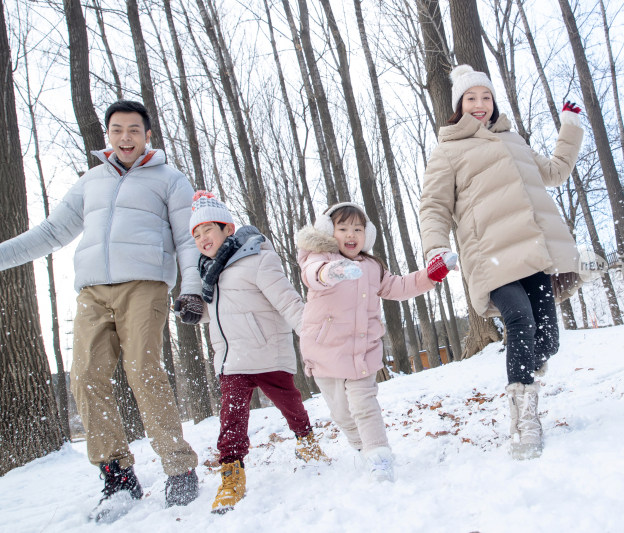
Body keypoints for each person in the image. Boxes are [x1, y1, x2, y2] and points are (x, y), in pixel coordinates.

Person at [0, 101, 202, 518]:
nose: (125, 137)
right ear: (107, 135)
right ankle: (117, 473)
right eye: (117, 130)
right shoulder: (91, 182)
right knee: (86, 377)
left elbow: (188, 238)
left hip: (144, 285)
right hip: (92, 291)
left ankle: (179, 467)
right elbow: (52, 232)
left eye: (133, 129)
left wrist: (193, 289)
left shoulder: (169, 179)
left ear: (148, 135)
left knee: (143, 369)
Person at [418, 65, 585, 460]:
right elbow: (434, 207)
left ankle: (527, 366)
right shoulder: (448, 152)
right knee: (519, 321)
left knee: (548, 340)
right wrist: (435, 249)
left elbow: (556, 173)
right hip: (489, 254)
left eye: (486, 98)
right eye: (471, 98)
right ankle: (524, 419)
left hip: (532, 252)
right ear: (459, 106)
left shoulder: (514, 140)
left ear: (494, 104)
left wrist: (571, 127)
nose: (479, 104)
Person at [186, 191, 328, 514]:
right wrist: (194, 309)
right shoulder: (208, 273)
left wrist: (312, 336)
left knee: (290, 402)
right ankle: (232, 474)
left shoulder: (258, 258)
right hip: (232, 360)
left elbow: (287, 300)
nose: (202, 238)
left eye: (208, 229)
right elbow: (216, 312)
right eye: (196, 234)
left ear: (228, 228)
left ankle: (305, 439)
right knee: (231, 418)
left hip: (266, 352)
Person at [296, 203, 456, 482]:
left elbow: (399, 287)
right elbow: (313, 275)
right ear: (328, 231)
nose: (351, 234)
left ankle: (379, 456)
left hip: (362, 352)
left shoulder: (372, 267)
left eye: (358, 229)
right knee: (342, 413)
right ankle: (362, 448)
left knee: (364, 405)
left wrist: (431, 275)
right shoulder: (317, 258)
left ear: (366, 235)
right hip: (325, 352)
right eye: (343, 228)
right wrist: (332, 272)